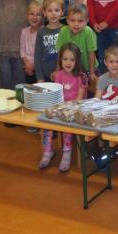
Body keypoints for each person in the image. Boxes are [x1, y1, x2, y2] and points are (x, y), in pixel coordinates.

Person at [39, 44, 87, 172]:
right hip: (60, 107)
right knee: (46, 124)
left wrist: (67, 108)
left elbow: (80, 99)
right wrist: (58, 108)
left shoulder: (80, 77)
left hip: (75, 109)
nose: (68, 62)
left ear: (77, 61)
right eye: (65, 59)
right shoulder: (58, 75)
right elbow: (56, 94)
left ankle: (67, 154)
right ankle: (48, 151)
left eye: (72, 59)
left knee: (67, 127)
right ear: (60, 60)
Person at [56, 3, 98, 82]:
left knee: (89, 91)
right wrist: (58, 70)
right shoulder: (63, 31)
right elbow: (60, 53)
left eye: (80, 21)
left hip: (88, 69)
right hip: (70, 69)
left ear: (86, 21)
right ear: (67, 20)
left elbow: (91, 53)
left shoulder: (88, 32)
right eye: (72, 20)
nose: (76, 24)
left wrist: (92, 72)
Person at [34, 0, 64, 82]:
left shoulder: (66, 30)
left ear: (62, 12)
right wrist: (40, 77)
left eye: (57, 10)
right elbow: (37, 56)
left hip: (63, 75)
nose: (53, 13)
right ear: (44, 12)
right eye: (50, 10)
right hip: (45, 75)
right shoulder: (41, 32)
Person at [20, 0, 42, 85]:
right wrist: (27, 64)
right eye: (32, 14)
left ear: (43, 16)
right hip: (27, 68)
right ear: (27, 15)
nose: (34, 17)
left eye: (38, 15)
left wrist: (33, 65)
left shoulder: (43, 32)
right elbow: (22, 50)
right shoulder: (24, 32)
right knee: (30, 90)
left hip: (39, 68)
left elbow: (41, 53)